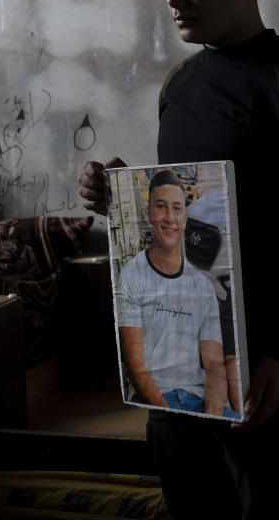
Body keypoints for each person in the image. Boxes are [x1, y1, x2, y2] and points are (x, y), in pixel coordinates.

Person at [78, 0, 279, 520]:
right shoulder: (179, 84)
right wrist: (121, 199)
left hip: (264, 371)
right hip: (177, 359)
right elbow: (185, 218)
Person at [116, 169, 234, 418]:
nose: (170, 217)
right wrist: (170, 415)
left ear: (185, 216)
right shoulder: (131, 275)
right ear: (149, 213)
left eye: (177, 209)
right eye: (161, 206)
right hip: (161, 400)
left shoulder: (202, 285)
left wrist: (211, 417)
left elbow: (214, 364)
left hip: (199, 400)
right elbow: (135, 365)